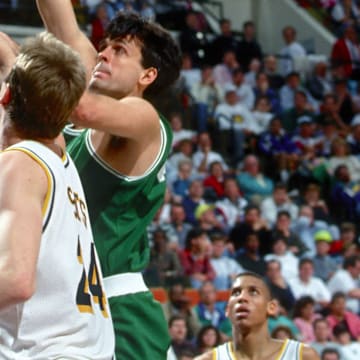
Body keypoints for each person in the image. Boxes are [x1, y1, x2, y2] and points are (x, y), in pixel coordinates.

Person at [36, 1, 182, 359]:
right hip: (67, 300)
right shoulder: (88, 97)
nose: (103, 55)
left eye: (120, 51)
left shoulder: (145, 119)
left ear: (146, 75)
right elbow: (59, 16)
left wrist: (21, 70)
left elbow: (83, 108)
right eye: (103, 47)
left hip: (118, 307)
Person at [0, 32, 114, 359]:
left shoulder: (19, 165)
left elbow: (16, 280)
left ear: (6, 94)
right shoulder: (58, 155)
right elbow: (16, 61)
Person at [193, 272, 320, 359]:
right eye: (236, 293)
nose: (242, 298)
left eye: (253, 292)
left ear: (271, 307)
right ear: (228, 310)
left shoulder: (302, 356)